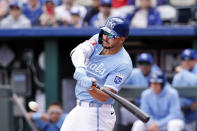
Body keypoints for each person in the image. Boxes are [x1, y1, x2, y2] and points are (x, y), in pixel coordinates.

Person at [60, 17, 133, 131]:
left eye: (111, 35)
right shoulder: (99, 41)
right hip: (79, 108)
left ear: (122, 39)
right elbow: (78, 51)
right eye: (105, 32)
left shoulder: (123, 64)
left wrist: (90, 87)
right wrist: (80, 68)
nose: (105, 37)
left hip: (98, 113)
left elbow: (104, 96)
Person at [172, 48, 197, 131]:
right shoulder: (178, 76)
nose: (187, 61)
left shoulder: (182, 72)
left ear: (195, 60)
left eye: (190, 59)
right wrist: (188, 103)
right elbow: (174, 95)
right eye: (184, 59)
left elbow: (195, 83)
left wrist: (183, 72)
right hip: (185, 112)